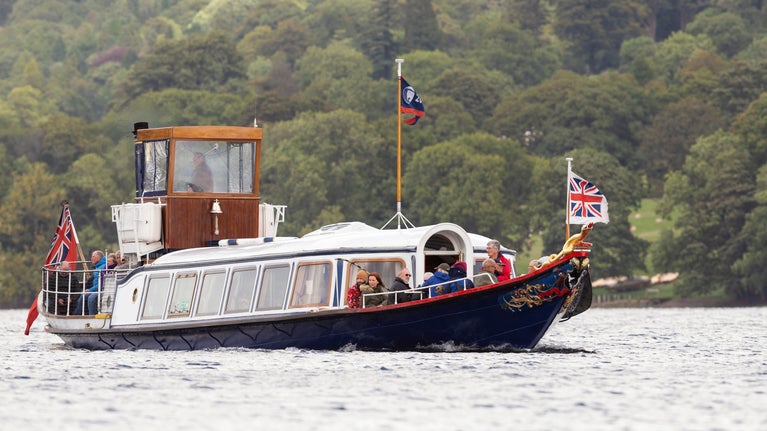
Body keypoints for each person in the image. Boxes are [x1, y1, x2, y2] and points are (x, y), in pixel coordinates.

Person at [74, 250, 107, 315]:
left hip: (100, 290)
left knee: (89, 297)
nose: (91, 258)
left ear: (98, 258)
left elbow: (101, 283)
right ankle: (80, 314)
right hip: (96, 289)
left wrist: (90, 290)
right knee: (83, 296)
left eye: (93, 256)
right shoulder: (98, 267)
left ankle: (91, 315)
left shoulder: (103, 267)